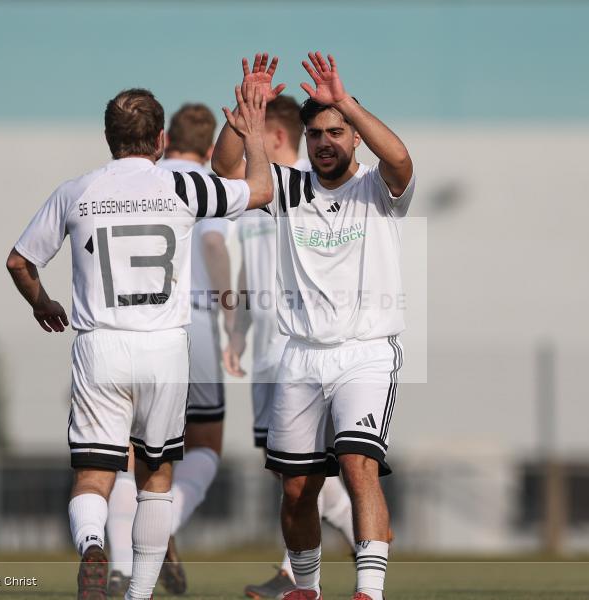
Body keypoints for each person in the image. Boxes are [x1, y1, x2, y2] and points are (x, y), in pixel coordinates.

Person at [6, 86, 272, 600]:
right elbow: (259, 189)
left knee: (93, 474)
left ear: (108, 138)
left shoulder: (76, 190)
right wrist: (250, 131)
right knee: (157, 477)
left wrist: (43, 303)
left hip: (99, 346)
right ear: (160, 139)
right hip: (164, 350)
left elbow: (19, 262)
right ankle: (138, 594)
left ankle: (90, 546)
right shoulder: (183, 187)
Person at [213, 52, 415, 600]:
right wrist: (241, 115)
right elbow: (227, 172)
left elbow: (401, 159)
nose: (325, 141)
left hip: (366, 353)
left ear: (353, 136)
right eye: (315, 133)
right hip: (300, 355)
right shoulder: (287, 187)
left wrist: (347, 101)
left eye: (336, 131)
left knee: (357, 464)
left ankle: (368, 593)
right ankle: (307, 589)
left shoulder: (377, 189)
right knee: (298, 488)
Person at [219, 88, 356, 599]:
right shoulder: (263, 188)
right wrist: (236, 331)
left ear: (277, 136)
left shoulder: (310, 185)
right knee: (289, 472)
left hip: (303, 349)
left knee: (305, 471)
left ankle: (293, 573)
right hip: (265, 351)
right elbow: (244, 274)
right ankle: (367, 534)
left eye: (259, 131)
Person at [105, 102, 238, 595]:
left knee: (128, 452)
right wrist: (232, 315)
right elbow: (213, 246)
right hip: (194, 324)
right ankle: (166, 528)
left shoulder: (142, 178)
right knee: (204, 446)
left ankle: (121, 561)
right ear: (209, 148)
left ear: (164, 138)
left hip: (129, 325)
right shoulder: (203, 183)